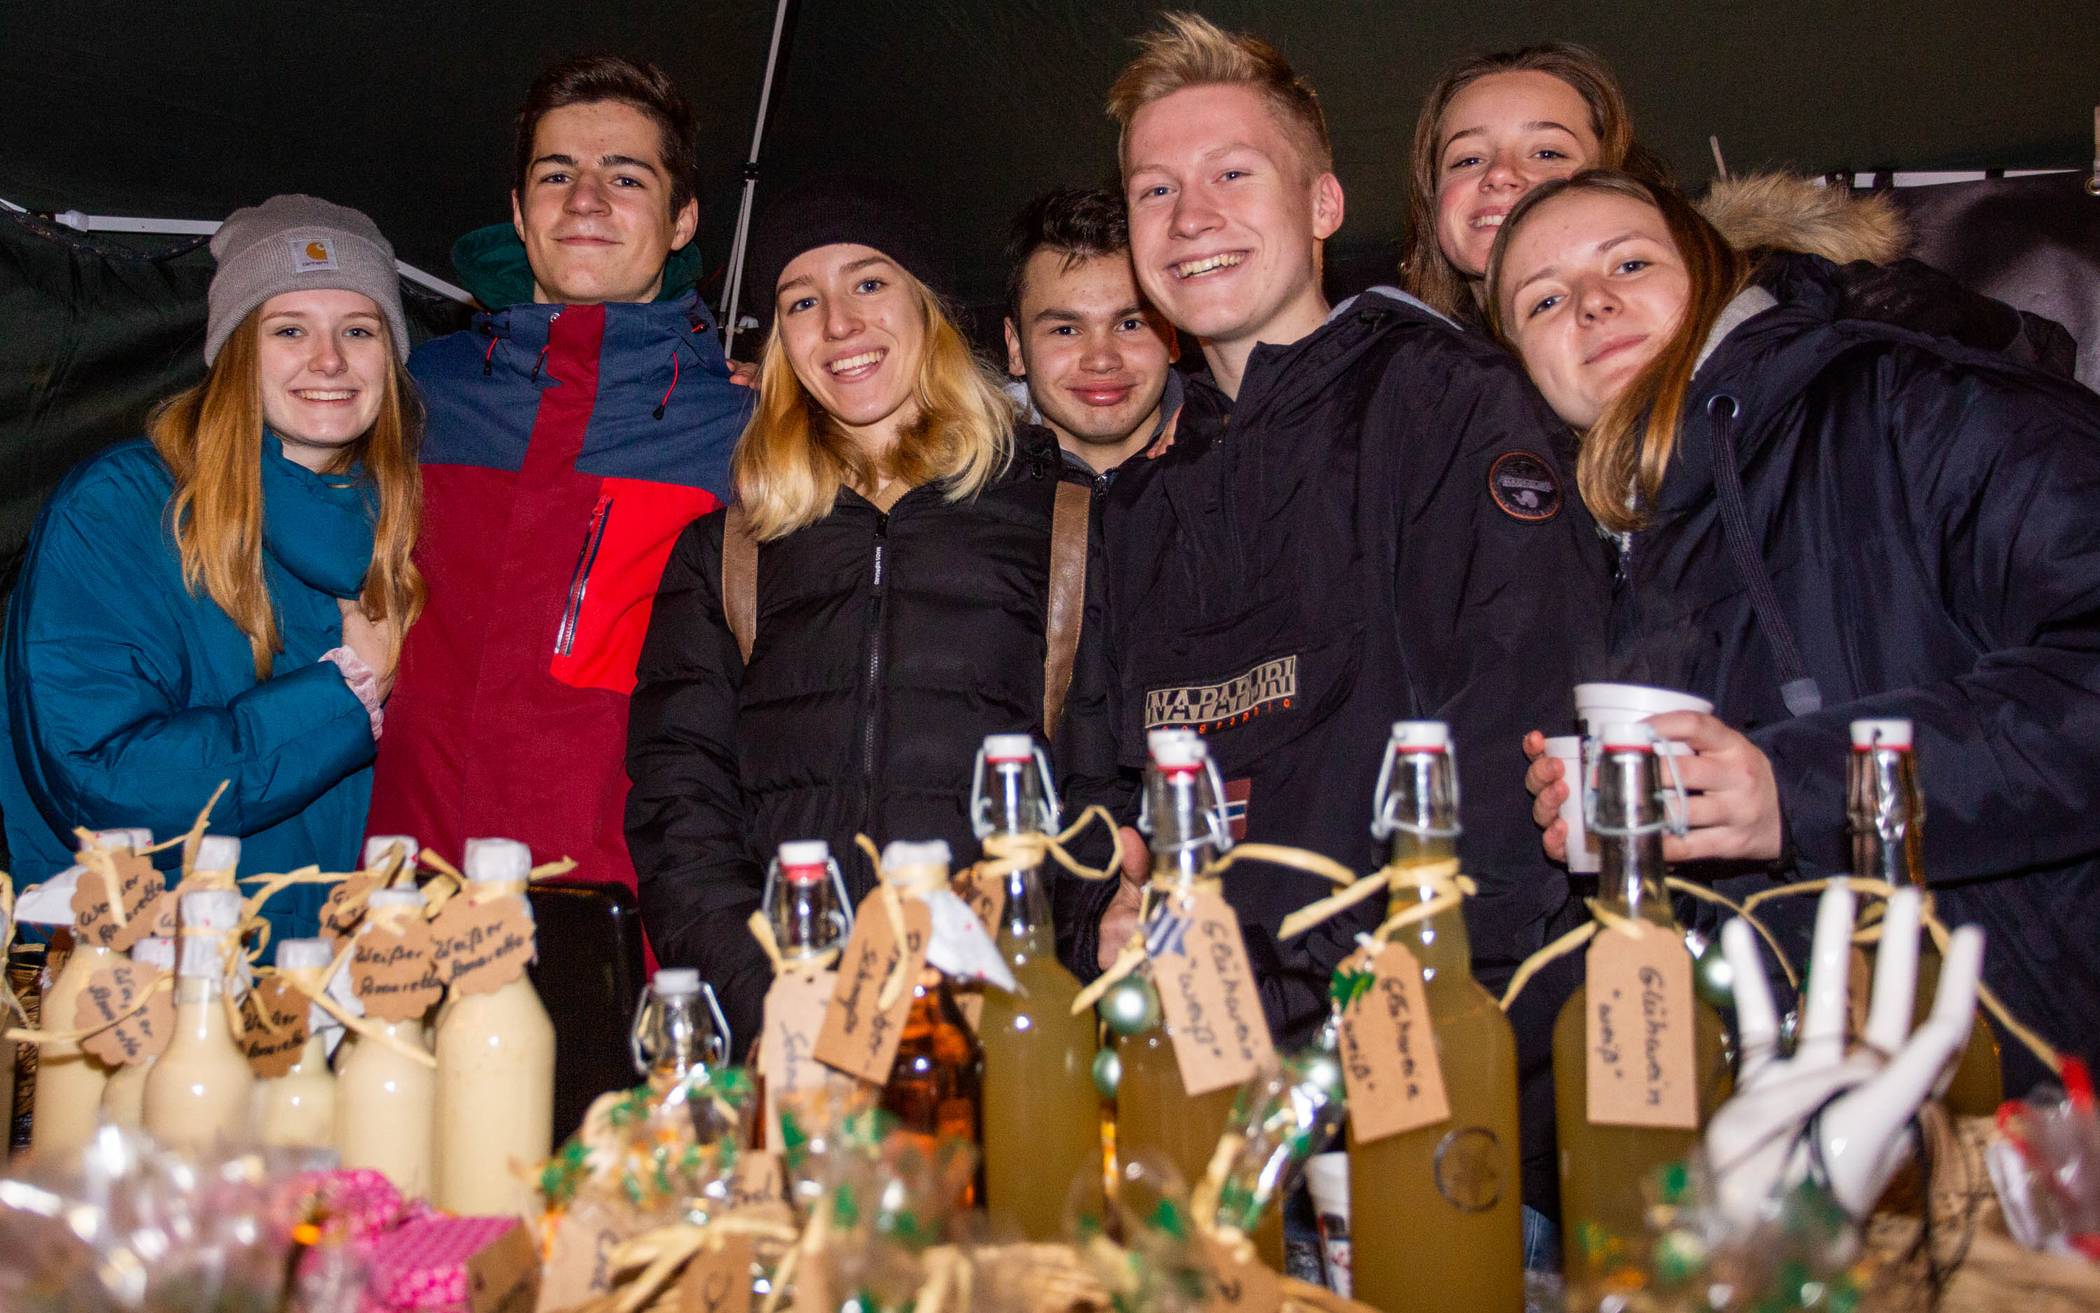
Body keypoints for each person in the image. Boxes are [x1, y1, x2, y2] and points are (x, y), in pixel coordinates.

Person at [1078, 12, 1613, 1239]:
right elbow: (1114, 783)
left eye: (1232, 174)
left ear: (1323, 204)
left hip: (1411, 1095)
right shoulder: (1142, 500)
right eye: (1155, 188)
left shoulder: (1447, 398)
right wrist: (1104, 902)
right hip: (1211, 1096)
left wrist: (1394, 1072)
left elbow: (1516, 745)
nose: (1190, 215)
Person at [1491, 169, 2100, 1094]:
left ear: (1710, 270)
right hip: (1785, 1123)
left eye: (1629, 262)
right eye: (1543, 300)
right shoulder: (1596, 551)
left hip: (2026, 1089)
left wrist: (1797, 789)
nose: (1592, 302)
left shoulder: (1903, 400)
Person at [626, 176, 1115, 1050]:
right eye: (801, 300)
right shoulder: (728, 554)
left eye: (869, 282)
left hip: (1002, 1031)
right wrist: (771, 1000)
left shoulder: (1065, 524)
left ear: (927, 304)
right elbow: (679, 812)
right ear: (781, 342)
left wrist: (1031, 990)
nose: (840, 324)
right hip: (791, 1030)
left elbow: (1104, 794)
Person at [367, 55, 751, 902]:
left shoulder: (746, 434)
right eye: (556, 174)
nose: (585, 199)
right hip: (410, 889)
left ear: (683, 219)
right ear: (519, 210)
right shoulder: (418, 394)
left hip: (626, 904)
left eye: (625, 176)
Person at [0, 196, 421, 943]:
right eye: (289, 329)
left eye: (359, 330)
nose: (329, 359)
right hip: (159, 968)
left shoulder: (409, 525)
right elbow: (104, 783)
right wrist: (347, 688)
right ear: (233, 352)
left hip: (338, 970)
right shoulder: (124, 509)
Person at [1401, 42, 1664, 327]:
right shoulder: (1392, 349)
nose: (1500, 173)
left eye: (1547, 154)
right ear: (1433, 197)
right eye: (1469, 160)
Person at [1002, 186, 1181, 492]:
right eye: (1066, 330)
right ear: (1016, 348)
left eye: (1130, 325)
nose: (1101, 361)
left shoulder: (1244, 465)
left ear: (1172, 337)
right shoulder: (954, 499)